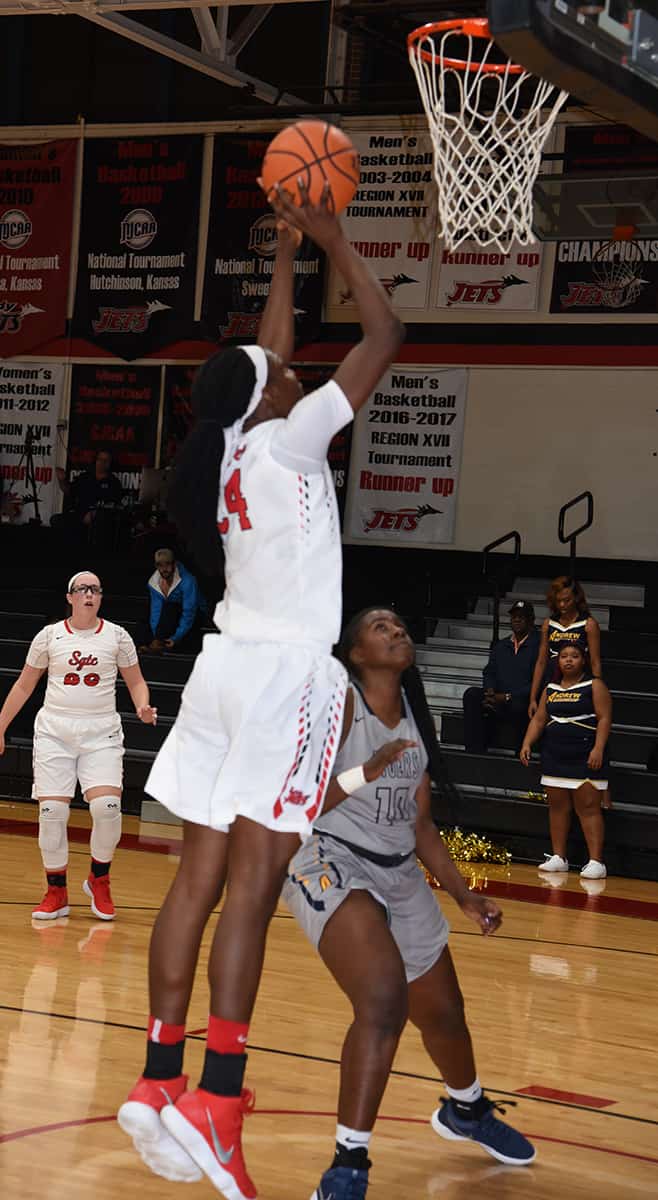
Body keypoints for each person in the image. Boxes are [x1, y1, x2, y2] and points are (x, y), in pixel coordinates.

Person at [117, 182, 405, 1200]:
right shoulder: (289, 437)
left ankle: (158, 1079)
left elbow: (263, 355)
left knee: (193, 880)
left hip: (222, 671)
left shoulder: (232, 441)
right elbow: (385, 332)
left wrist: (283, 257)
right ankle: (219, 1102)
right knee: (249, 885)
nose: (297, 366)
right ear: (275, 397)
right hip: (282, 676)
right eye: (287, 371)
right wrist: (331, 236)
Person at [282, 607, 535, 1200]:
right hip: (329, 856)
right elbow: (297, 796)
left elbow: (420, 826)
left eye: (401, 624)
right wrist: (362, 772)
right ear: (355, 654)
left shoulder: (415, 720)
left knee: (445, 1013)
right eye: (380, 627)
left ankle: (467, 1110)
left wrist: (465, 896)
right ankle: (348, 1163)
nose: (397, 631)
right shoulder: (341, 705)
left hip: (398, 872)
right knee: (383, 998)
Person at [0, 570, 157, 920]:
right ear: (70, 597)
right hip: (55, 730)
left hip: (101, 731)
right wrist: (0, 726)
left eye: (96, 589)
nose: (90, 594)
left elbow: (136, 682)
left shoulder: (117, 636)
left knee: (107, 809)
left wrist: (143, 706)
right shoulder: (49, 636)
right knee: (52, 813)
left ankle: (99, 879)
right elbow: (25, 686)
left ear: (100, 598)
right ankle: (56, 891)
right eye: (82, 589)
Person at [520, 641, 612, 879]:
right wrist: (527, 743)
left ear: (583, 660)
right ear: (558, 661)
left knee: (588, 808)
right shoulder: (550, 688)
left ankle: (596, 862)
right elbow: (539, 719)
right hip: (555, 753)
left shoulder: (595, 685)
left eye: (574, 656)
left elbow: (604, 719)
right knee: (557, 807)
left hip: (585, 754)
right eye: (564, 656)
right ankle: (559, 857)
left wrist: (598, 748)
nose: (569, 660)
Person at [463, 601, 539, 754]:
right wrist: (490, 690)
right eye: (514, 617)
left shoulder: (538, 645)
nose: (517, 620)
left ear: (531, 620)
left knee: (520, 705)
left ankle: (520, 756)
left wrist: (508, 696)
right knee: (471, 694)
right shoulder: (501, 645)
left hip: (520, 701)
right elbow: (489, 671)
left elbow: (539, 682)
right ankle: (474, 752)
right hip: (498, 698)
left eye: (521, 617)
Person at [528, 576, 601, 718]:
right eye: (558, 601)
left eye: (567, 600)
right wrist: (532, 697)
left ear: (576, 598)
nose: (562, 605)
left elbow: (595, 661)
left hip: (577, 679)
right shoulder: (548, 624)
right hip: (552, 678)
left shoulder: (588, 624)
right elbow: (541, 662)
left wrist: (597, 691)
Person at [136, 548, 206, 654]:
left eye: (167, 564)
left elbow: (189, 612)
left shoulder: (188, 581)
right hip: (172, 616)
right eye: (160, 565)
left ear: (174, 564)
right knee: (147, 613)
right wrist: (157, 636)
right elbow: (156, 611)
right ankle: (154, 644)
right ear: (156, 566)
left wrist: (175, 638)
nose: (164, 569)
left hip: (197, 613)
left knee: (171, 608)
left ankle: (160, 645)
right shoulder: (154, 582)